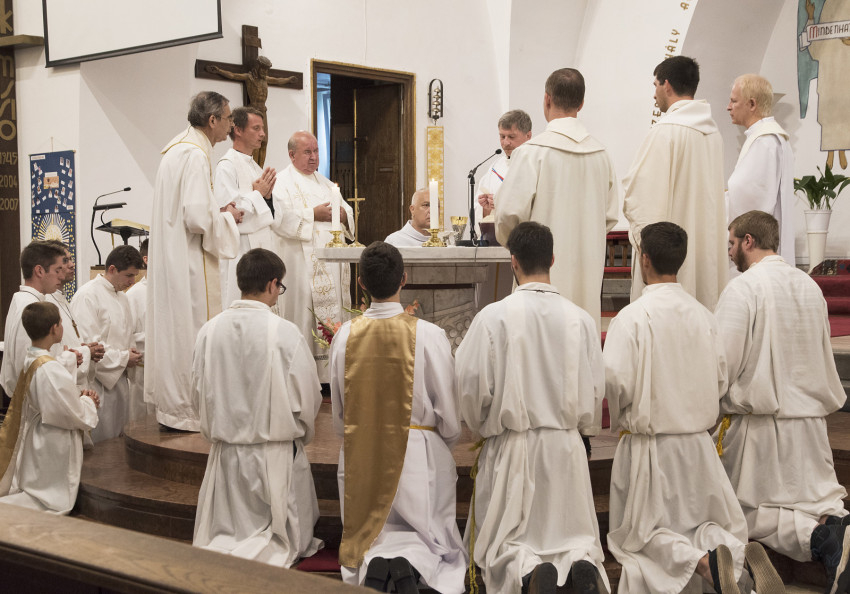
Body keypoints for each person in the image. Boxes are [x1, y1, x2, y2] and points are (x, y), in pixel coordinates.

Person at [604, 222, 782, 594]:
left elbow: (617, 382)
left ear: (644, 259)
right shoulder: (705, 316)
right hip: (699, 448)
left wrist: (623, 418)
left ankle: (703, 565)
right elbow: (720, 379)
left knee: (639, 535)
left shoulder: (632, 318)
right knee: (703, 525)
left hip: (651, 449)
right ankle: (739, 555)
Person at [456, 222, 609, 594]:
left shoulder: (493, 317)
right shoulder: (581, 319)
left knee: (508, 541)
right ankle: (579, 564)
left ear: (513, 261)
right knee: (571, 534)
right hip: (567, 448)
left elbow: (471, 385)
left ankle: (527, 573)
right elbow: (595, 389)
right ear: (552, 259)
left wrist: (483, 427)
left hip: (514, 447)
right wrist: (583, 430)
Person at [715, 210, 849, 592]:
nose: (729, 252)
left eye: (731, 243)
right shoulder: (809, 287)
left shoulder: (743, 289)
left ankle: (823, 540)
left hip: (761, 429)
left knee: (740, 512)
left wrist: (707, 406)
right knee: (813, 500)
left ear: (749, 241)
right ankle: (835, 526)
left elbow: (723, 362)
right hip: (810, 425)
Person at [329, 241, 466, 594]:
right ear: (404, 278)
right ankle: (412, 560)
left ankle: (377, 560)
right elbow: (448, 413)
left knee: (371, 532)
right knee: (429, 534)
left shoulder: (344, 336)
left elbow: (339, 413)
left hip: (362, 455)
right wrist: (439, 442)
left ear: (361, 284)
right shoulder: (429, 335)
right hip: (417, 453)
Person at [192, 248, 323, 567]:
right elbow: (307, 394)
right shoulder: (284, 332)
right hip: (272, 456)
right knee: (275, 542)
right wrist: (301, 434)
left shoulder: (209, 330)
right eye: (280, 287)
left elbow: (197, 391)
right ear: (272, 284)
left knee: (225, 537)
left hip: (226, 454)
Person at [146, 91, 242, 431]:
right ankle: (187, 412)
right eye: (228, 119)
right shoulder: (195, 155)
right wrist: (228, 218)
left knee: (175, 330)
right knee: (190, 329)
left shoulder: (177, 149)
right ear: (212, 120)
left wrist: (217, 212)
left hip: (174, 256)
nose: (231, 125)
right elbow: (198, 218)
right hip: (188, 262)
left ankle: (173, 408)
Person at [495, 68, 618, 331]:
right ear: (581, 103)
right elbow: (609, 217)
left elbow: (507, 215)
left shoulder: (531, 153)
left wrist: (519, 250)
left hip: (537, 272)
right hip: (587, 272)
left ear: (547, 99)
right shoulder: (601, 154)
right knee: (580, 338)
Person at [623, 56, 727, 310]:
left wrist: (646, 250)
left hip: (668, 262)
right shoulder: (713, 134)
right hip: (704, 252)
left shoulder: (665, 131)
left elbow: (642, 200)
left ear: (666, 85)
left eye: (655, 85)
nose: (654, 93)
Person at [0, 301, 99, 514]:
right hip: (53, 438)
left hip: (40, 432)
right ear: (54, 328)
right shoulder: (50, 369)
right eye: (61, 323)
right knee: (47, 499)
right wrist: (88, 401)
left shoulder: (33, 357)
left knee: (36, 489)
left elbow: (53, 385)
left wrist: (69, 358)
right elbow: (72, 413)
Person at [275, 130, 354, 382]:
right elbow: (279, 220)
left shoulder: (326, 183)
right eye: (307, 152)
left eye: (316, 151)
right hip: (301, 266)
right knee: (304, 314)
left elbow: (347, 211)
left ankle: (331, 375)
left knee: (334, 312)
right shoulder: (281, 183)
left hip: (331, 266)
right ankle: (306, 375)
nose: (313, 157)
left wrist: (344, 216)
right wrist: (313, 214)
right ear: (292, 155)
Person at [72, 245, 144, 443]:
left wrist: (130, 352)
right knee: (101, 441)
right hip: (98, 383)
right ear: (112, 269)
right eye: (129, 275)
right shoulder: (87, 295)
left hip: (120, 380)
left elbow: (126, 335)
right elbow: (90, 345)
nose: (132, 282)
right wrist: (124, 357)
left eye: (135, 276)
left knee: (119, 441)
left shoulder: (123, 298)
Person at [725, 74, 795, 267]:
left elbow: (751, 199)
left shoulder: (765, 141)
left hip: (757, 247)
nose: (728, 107)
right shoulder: (768, 138)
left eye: (734, 101)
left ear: (752, 104)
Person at [214, 106, 280, 309]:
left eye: (263, 128)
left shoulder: (254, 167)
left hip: (262, 247)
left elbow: (272, 214)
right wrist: (258, 194)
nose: (263, 134)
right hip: (240, 251)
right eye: (256, 128)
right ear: (238, 130)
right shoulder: (226, 166)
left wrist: (267, 198)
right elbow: (232, 215)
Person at [1, 241, 77, 397]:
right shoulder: (30, 307)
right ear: (39, 271)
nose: (61, 276)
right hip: (37, 401)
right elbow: (30, 369)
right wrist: (70, 359)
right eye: (57, 270)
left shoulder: (24, 300)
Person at [43, 240, 105, 388]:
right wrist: (86, 351)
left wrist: (85, 348)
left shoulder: (63, 299)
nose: (72, 264)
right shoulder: (46, 303)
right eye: (65, 261)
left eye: (71, 259)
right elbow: (50, 356)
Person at [475, 110, 532, 232]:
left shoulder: (535, 164)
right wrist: (486, 208)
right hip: (495, 238)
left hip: (526, 236)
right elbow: (480, 212)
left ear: (528, 136)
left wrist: (502, 204)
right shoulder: (496, 167)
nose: (505, 143)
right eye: (502, 136)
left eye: (511, 137)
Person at [126, 238, 151, 420]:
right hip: (143, 371)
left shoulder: (175, 291)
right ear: (146, 259)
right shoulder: (133, 295)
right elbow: (127, 337)